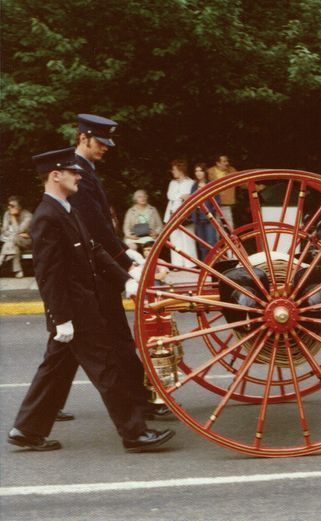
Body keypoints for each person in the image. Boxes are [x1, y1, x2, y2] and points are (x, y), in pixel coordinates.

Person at [7, 147, 174, 452]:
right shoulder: (46, 216)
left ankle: (27, 429)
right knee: (107, 369)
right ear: (55, 176)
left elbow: (94, 249)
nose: (78, 175)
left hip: (81, 305)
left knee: (55, 369)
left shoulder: (66, 209)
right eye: (72, 171)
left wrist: (126, 280)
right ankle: (134, 434)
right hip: (75, 310)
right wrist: (61, 319)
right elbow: (48, 274)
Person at [71, 114, 167, 421]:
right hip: (94, 271)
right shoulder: (78, 173)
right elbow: (95, 227)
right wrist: (124, 261)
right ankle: (137, 408)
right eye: (100, 142)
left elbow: (101, 226)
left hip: (96, 267)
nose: (105, 148)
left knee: (71, 349)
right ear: (83, 137)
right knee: (115, 342)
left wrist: (126, 255)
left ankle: (31, 423)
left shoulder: (85, 170)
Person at [163, 159, 197, 268]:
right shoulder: (172, 183)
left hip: (186, 213)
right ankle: (177, 264)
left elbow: (192, 196)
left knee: (187, 237)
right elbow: (170, 196)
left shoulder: (191, 182)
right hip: (172, 212)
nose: (173, 172)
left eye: (174, 169)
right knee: (175, 238)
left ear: (180, 170)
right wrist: (181, 196)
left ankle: (190, 264)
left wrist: (186, 196)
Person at [190, 163, 219, 259]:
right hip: (198, 218)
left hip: (209, 218)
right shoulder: (194, 186)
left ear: (204, 172)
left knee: (211, 242)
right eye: (196, 171)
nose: (198, 173)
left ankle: (215, 264)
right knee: (202, 244)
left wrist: (211, 212)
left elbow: (217, 200)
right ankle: (206, 266)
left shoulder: (210, 184)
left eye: (200, 171)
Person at [1, 196, 33, 278]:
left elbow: (17, 231)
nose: (9, 207)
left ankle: (1, 258)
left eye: (12, 206)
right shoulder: (7, 213)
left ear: (20, 207)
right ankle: (18, 271)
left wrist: (13, 217)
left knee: (14, 238)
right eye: (9, 205)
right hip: (12, 242)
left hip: (26, 241)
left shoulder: (28, 216)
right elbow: (4, 230)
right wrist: (11, 233)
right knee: (14, 242)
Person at [207, 154, 237, 227]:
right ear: (218, 163)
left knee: (229, 228)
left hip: (226, 205)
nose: (227, 163)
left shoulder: (232, 171)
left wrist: (257, 187)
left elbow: (243, 181)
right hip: (212, 206)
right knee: (215, 229)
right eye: (224, 161)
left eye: (227, 161)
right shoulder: (209, 172)